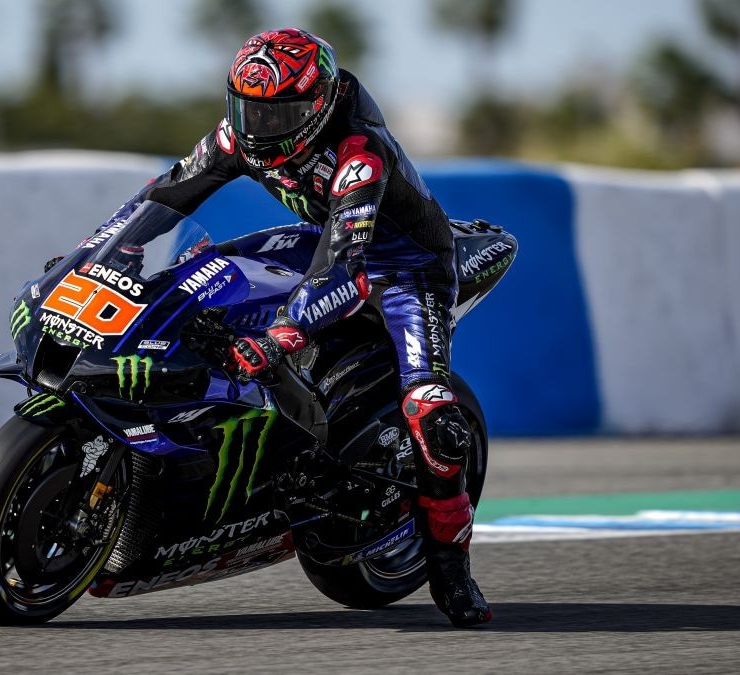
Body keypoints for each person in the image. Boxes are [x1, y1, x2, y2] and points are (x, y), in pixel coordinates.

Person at [80, 28, 490, 627]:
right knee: (203, 277)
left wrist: (281, 336)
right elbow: (167, 193)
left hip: (404, 270)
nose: (261, 127)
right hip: (322, 240)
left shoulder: (359, 155)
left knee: (432, 417)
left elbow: (345, 273)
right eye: (250, 110)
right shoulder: (239, 134)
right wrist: (105, 253)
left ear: (318, 105)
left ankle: (452, 571)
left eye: (280, 114)